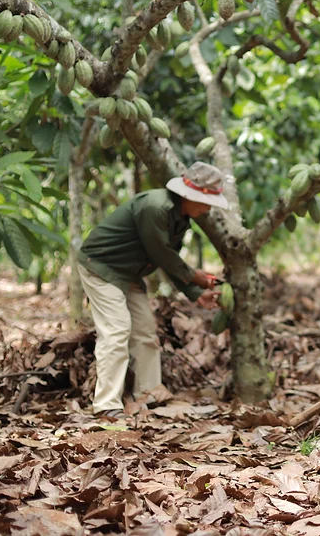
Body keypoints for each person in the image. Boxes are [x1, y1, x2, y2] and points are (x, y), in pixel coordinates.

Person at [77, 161, 228, 418]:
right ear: (191, 195)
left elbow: (167, 260)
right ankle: (106, 405)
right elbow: (160, 253)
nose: (208, 208)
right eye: (207, 202)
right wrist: (195, 277)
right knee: (116, 330)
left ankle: (149, 395)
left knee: (145, 331)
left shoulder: (181, 219)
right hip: (102, 267)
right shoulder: (156, 207)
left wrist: (195, 293)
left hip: (129, 273)